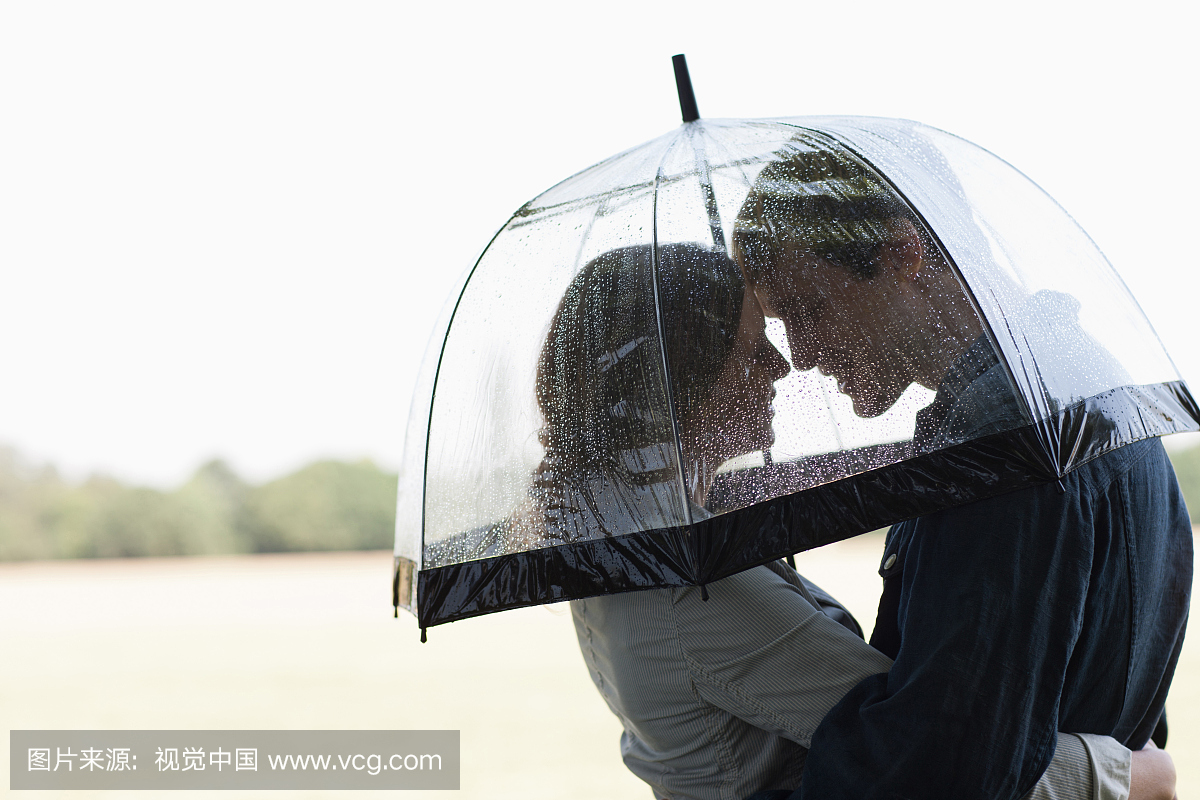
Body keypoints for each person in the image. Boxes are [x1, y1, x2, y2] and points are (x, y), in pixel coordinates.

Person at [530, 243, 1167, 800]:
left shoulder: (623, 541)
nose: (786, 365)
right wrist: (1126, 775)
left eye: (803, 316)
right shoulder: (694, 586)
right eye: (753, 349)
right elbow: (919, 754)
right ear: (680, 380)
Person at [732, 143, 1189, 800]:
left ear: (903, 254)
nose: (801, 356)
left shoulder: (1008, 438)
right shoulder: (1079, 383)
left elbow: (942, 765)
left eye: (810, 309)